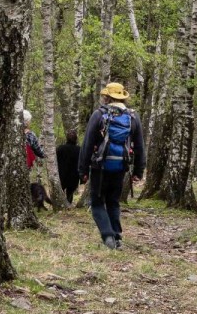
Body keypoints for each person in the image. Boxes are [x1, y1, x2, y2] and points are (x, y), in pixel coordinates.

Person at [78, 82, 145, 249]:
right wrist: (138, 170)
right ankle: (117, 237)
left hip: (99, 166)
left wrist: (82, 170)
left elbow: (87, 144)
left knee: (98, 202)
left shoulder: (99, 114)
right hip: (120, 166)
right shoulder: (132, 117)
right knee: (113, 201)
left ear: (107, 97)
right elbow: (139, 146)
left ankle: (108, 236)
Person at [56, 130, 81, 205]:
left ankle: (61, 204)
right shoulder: (79, 149)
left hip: (62, 174)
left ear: (66, 139)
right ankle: (68, 203)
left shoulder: (60, 148)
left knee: (61, 188)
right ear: (76, 139)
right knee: (70, 191)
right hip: (74, 175)